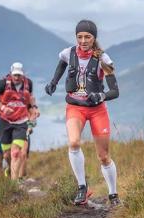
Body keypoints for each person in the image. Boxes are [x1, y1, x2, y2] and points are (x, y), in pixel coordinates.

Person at [45, 19, 120, 206]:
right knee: (73, 142)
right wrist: (53, 82)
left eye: (87, 37)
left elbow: (115, 91)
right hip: (75, 107)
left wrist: (101, 96)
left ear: (94, 38)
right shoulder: (67, 53)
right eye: (80, 37)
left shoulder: (103, 58)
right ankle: (81, 187)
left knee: (103, 156)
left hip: (97, 111)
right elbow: (62, 64)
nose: (83, 40)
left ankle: (113, 195)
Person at [0, 62, 39, 181]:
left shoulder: (28, 83)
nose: (17, 78)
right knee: (6, 154)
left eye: (19, 75)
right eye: (15, 75)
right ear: (11, 73)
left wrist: (35, 108)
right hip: (5, 121)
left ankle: (14, 183)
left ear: (23, 74)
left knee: (16, 153)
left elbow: (30, 98)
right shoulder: (3, 83)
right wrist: (2, 108)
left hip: (21, 122)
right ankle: (10, 170)